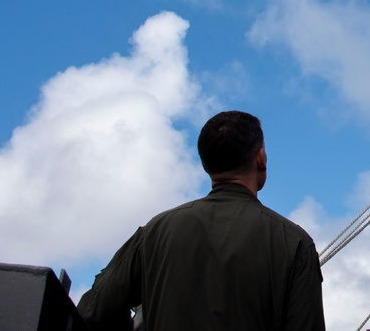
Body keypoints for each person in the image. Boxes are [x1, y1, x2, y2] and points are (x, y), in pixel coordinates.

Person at [77, 111, 325, 331]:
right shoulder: (294, 242)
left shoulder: (154, 232)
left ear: (206, 163)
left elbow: (93, 312)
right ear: (260, 157)